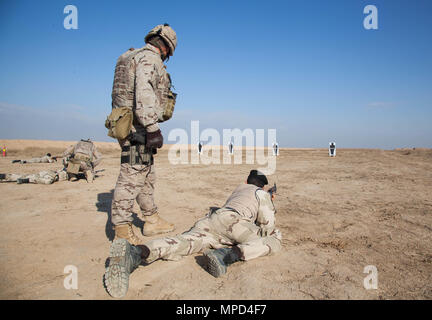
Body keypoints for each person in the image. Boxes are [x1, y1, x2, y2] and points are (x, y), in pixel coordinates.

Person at [104, 170, 282, 298]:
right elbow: (267, 225)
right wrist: (269, 201)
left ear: (246, 180)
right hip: (233, 224)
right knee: (275, 238)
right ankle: (226, 255)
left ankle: (136, 253)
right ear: (263, 186)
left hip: (211, 221)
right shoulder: (261, 193)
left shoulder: (239, 188)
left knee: (182, 242)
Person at [110, 24, 178, 245]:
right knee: (131, 176)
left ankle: (151, 218)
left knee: (147, 174)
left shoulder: (129, 56)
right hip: (137, 127)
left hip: (126, 122)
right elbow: (144, 91)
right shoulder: (150, 59)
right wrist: (152, 128)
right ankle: (121, 229)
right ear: (167, 47)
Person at [0, 168, 68, 185]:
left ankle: (5, 176)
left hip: (48, 173)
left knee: (27, 175)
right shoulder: (69, 171)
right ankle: (27, 180)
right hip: (53, 175)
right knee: (48, 182)